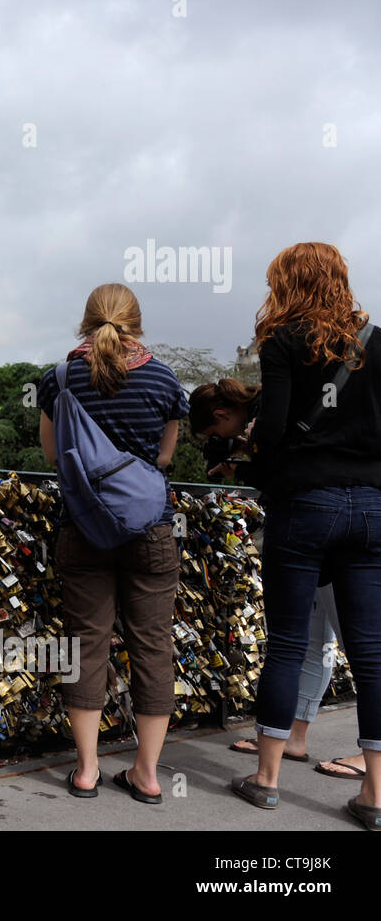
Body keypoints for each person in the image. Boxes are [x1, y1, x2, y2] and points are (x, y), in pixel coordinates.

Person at [228, 242, 381, 830]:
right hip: (370, 506)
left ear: (287, 283)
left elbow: (271, 428)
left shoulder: (283, 341)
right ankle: (374, 796)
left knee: (289, 643)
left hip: (305, 505)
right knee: (370, 652)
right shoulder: (375, 342)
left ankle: (267, 780)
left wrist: (259, 471)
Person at [38, 282, 188, 803]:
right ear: (137, 321)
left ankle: (85, 770)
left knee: (84, 646)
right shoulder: (165, 378)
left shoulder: (60, 377)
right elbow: (165, 459)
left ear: (86, 319)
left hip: (83, 529)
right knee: (153, 647)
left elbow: (54, 454)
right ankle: (146, 775)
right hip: (150, 527)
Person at [190, 380, 366, 781]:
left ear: (223, 415)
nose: (226, 439)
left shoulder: (274, 412)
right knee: (313, 641)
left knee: (363, 650)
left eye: (219, 433)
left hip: (335, 527)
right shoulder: (276, 407)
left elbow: (285, 471)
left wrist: (246, 467)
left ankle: (374, 760)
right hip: (322, 529)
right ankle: (294, 737)